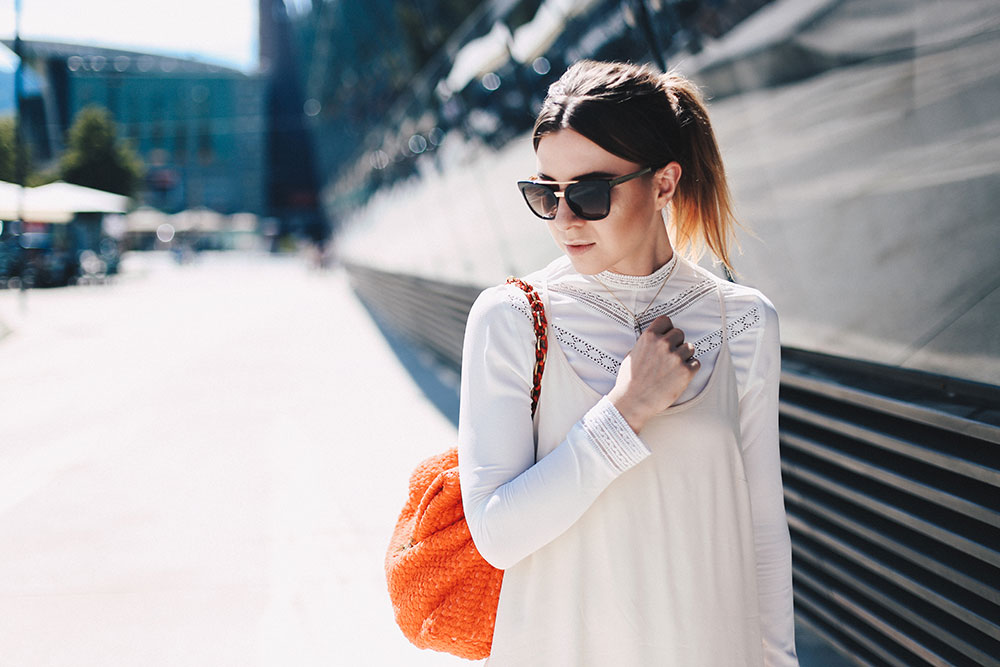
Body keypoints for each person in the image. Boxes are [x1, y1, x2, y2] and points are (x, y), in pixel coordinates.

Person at [457, 60, 798, 666]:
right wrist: (627, 409)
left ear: (664, 183)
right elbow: (496, 536)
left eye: (588, 193)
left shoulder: (743, 321)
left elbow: (763, 531)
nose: (564, 220)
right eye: (546, 193)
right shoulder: (512, 319)